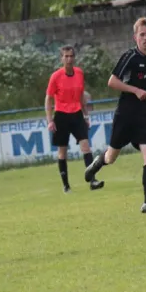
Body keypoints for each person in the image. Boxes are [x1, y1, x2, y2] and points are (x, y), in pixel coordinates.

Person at [84, 17, 146, 213]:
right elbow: (112, 82)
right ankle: (97, 163)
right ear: (135, 37)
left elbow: (145, 86)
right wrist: (135, 91)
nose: (145, 38)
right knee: (111, 157)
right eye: (141, 35)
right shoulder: (130, 56)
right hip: (126, 115)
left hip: (144, 116)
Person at [45, 45, 104, 193]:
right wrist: (50, 120)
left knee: (86, 147)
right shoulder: (55, 76)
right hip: (61, 116)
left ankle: (92, 180)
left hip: (77, 114)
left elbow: (81, 96)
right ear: (61, 58)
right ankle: (66, 185)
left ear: (74, 57)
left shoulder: (79, 73)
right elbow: (48, 99)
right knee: (62, 152)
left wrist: (85, 115)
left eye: (71, 56)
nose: (69, 59)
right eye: (66, 56)